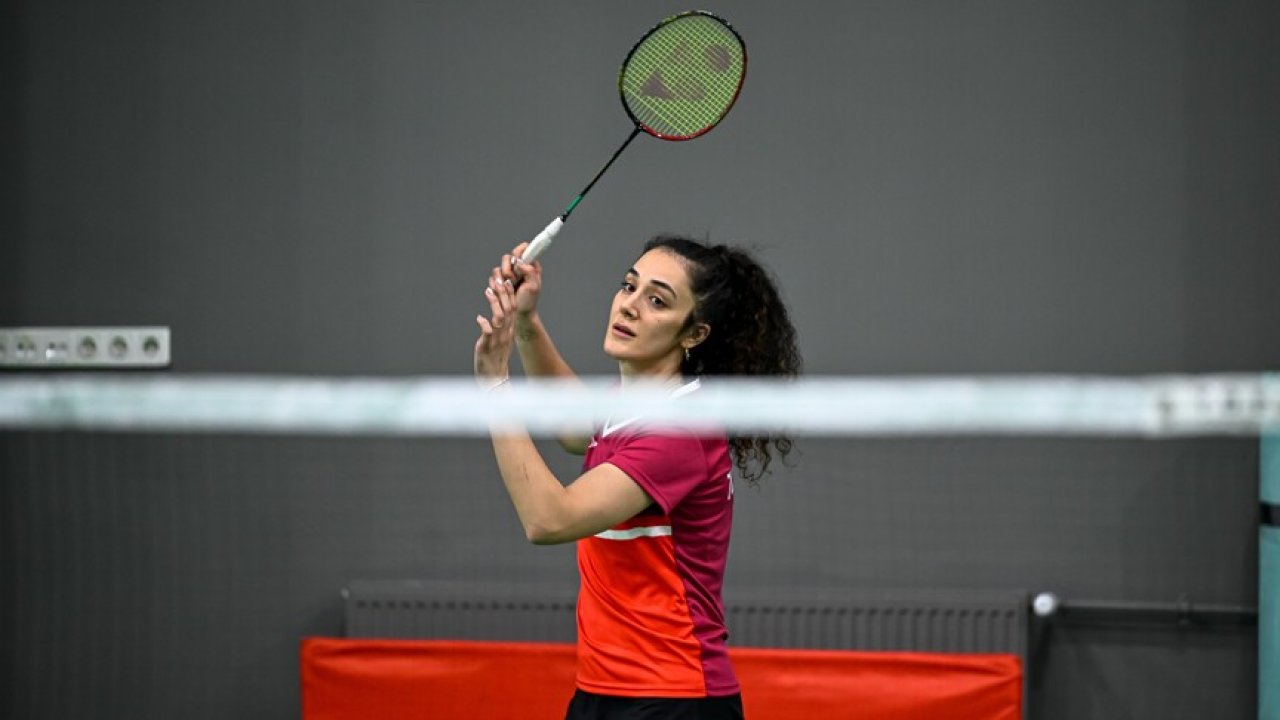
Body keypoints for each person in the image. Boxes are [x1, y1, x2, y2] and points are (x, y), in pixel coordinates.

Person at [473, 234, 800, 720]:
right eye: (629, 287)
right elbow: (571, 427)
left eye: (656, 301)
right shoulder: (632, 404)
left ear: (694, 335)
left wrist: (494, 384)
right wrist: (526, 319)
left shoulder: (678, 429)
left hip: (674, 698)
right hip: (603, 689)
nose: (629, 306)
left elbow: (548, 519)